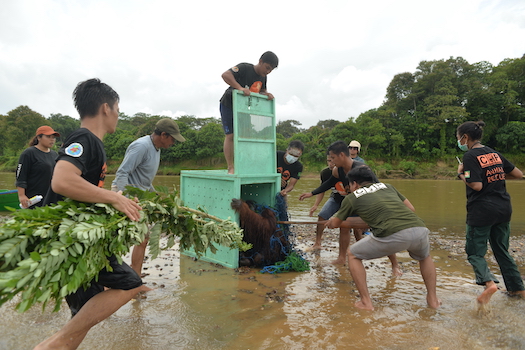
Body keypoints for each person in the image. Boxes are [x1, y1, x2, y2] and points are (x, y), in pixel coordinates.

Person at [35, 78, 150, 350]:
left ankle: (57, 344)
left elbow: (80, 192)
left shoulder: (92, 143)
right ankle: (53, 344)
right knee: (130, 283)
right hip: (73, 241)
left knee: (85, 311)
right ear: (106, 108)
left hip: (72, 239)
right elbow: (62, 181)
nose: (118, 117)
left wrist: (115, 201)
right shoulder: (85, 138)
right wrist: (111, 196)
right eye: (118, 111)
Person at [326, 166, 440, 311]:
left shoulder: (352, 197)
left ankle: (366, 302)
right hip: (419, 229)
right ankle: (433, 300)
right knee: (425, 257)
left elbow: (336, 223)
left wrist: (331, 222)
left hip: (393, 234)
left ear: (354, 183)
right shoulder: (388, 187)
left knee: (353, 254)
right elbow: (411, 209)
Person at [299, 141, 400, 271]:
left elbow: (378, 186)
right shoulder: (337, 170)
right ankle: (341, 258)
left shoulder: (362, 169)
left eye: (333, 158)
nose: (332, 162)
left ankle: (395, 265)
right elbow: (329, 183)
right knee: (344, 225)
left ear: (341, 155)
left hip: (367, 203)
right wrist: (311, 193)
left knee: (380, 231)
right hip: (351, 201)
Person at [456, 120, 525, 306]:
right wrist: (496, 177)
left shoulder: (470, 156)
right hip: (503, 208)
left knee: (474, 252)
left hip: (482, 211)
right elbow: (518, 174)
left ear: (465, 137)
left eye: (458, 138)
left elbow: (476, 185)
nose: (459, 141)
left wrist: (461, 174)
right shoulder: (493, 153)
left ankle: (489, 284)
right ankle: (517, 288)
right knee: (502, 250)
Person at [112, 118, 186, 277]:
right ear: (164, 135)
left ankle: (135, 277)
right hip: (124, 195)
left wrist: (157, 197)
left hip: (140, 197)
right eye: (172, 138)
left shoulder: (156, 148)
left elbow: (143, 180)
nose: (173, 142)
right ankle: (124, 279)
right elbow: (122, 173)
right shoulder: (142, 146)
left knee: (142, 239)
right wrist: (126, 198)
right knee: (124, 239)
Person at [219, 51, 279, 174]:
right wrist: (240, 88)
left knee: (245, 135)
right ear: (260, 61)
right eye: (267, 67)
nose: (268, 71)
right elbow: (225, 75)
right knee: (231, 135)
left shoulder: (263, 77)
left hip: (244, 109)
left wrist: (266, 94)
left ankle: (243, 164)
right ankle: (231, 167)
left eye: (271, 70)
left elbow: (261, 90)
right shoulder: (244, 67)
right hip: (228, 104)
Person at [16, 126, 60, 208]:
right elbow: (21, 176)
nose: (52, 140)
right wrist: (21, 195)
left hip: (51, 197)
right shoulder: (29, 153)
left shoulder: (54, 154)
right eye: (48, 137)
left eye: (53, 137)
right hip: (34, 198)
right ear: (39, 138)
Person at [307, 153, 335, 251]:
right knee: (322, 216)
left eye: (333, 161)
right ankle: (317, 243)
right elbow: (322, 189)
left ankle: (357, 245)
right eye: (328, 161)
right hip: (335, 198)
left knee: (348, 225)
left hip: (348, 199)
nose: (331, 164)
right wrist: (315, 205)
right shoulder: (325, 173)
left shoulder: (346, 170)